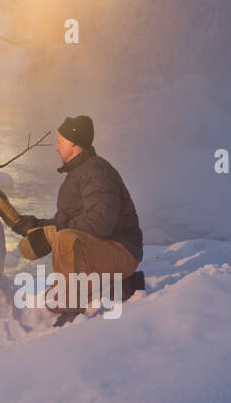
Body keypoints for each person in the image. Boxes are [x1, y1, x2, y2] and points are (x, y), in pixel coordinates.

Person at [8, 115, 144, 326]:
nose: (56, 148)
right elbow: (66, 221)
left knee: (64, 239)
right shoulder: (78, 174)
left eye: (59, 141)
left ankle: (75, 309)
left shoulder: (96, 171)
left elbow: (100, 222)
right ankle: (124, 284)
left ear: (73, 143)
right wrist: (34, 225)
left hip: (121, 249)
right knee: (53, 301)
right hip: (104, 250)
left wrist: (51, 236)